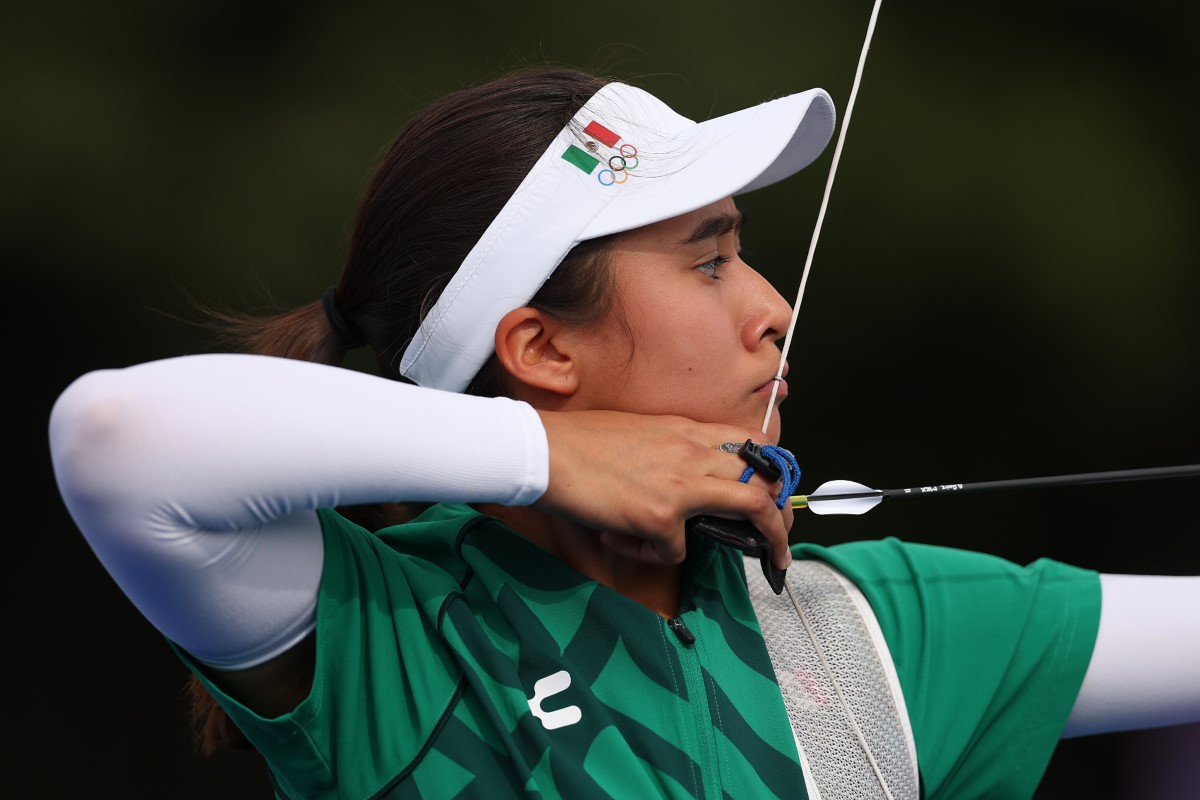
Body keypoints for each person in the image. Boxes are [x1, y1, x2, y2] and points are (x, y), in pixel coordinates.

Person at [48, 65, 1199, 800]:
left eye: (739, 247)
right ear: (543, 349)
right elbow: (114, 438)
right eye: (708, 259)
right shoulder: (394, 635)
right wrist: (548, 457)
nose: (772, 306)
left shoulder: (879, 625)